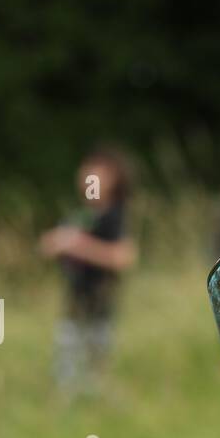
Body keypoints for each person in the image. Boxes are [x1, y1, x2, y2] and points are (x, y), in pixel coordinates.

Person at [39, 146, 136, 393]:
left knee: (94, 373)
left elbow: (122, 257)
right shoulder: (81, 215)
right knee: (67, 369)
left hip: (100, 304)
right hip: (74, 303)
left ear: (114, 180)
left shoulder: (114, 217)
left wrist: (76, 245)